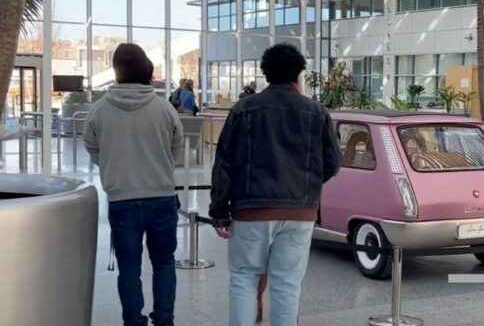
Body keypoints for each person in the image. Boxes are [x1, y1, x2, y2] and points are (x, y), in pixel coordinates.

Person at [209, 43, 341, 326]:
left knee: (244, 278)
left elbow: (224, 162)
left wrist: (220, 210)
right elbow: (332, 163)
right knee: (287, 284)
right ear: (299, 75)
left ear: (265, 74)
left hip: (250, 211)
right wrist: (306, 187)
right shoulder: (316, 112)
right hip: (300, 214)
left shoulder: (244, 109)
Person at [83, 43, 184, 326]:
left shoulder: (99, 110)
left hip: (121, 201)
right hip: (162, 198)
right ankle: (165, 320)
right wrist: (158, 167)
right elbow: (175, 149)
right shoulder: (164, 108)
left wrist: (115, 166)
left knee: (129, 269)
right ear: (147, 70)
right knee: (164, 263)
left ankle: (133, 321)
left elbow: (92, 147)